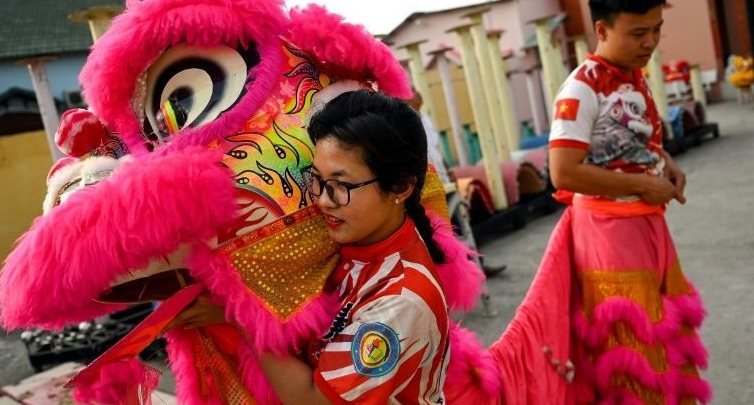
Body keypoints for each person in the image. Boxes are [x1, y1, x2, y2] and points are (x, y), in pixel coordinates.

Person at [174, 89, 450, 404]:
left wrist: (245, 318)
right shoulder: (347, 242)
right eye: (316, 180)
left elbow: (313, 400)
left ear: (400, 187)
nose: (322, 200)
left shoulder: (403, 301)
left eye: (341, 186)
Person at [547, 0, 711, 403]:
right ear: (602, 30)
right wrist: (642, 186)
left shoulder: (630, 76)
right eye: (638, 33)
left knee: (664, 333)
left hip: (644, 221)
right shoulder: (581, 88)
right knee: (632, 347)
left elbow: (636, 142)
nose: (651, 42)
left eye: (656, 30)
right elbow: (563, 172)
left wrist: (665, 164)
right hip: (609, 232)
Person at [408, 86, 451, 184]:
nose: (418, 94)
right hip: (427, 183)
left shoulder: (425, 118)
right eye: (413, 91)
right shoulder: (405, 124)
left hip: (443, 178)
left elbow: (435, 150)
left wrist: (448, 171)